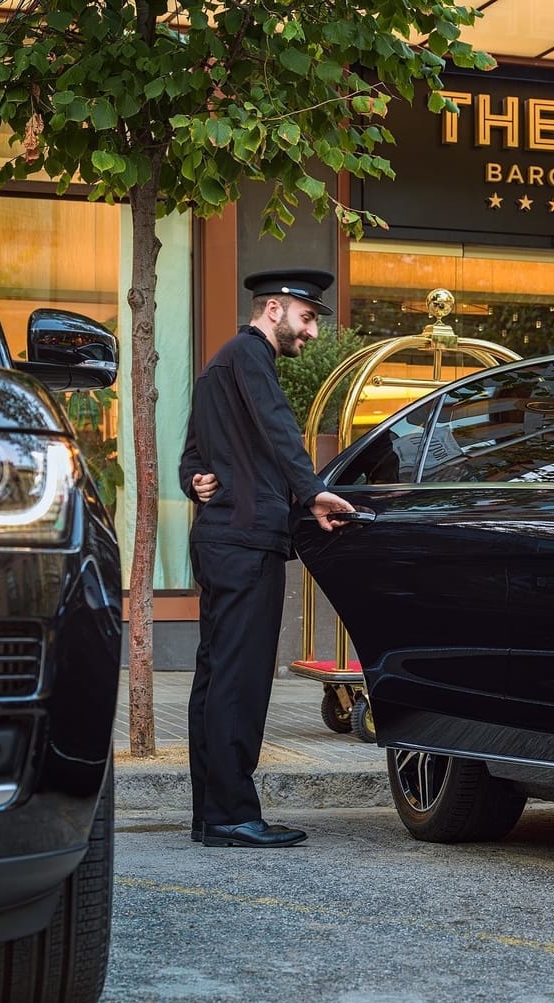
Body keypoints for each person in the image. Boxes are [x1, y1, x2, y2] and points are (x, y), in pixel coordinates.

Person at [179, 268, 355, 848]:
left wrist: (194, 481)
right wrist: (311, 490)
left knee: (215, 675)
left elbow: (192, 453)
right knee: (241, 679)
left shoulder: (217, 365)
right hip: (244, 539)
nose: (309, 334)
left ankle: (213, 813)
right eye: (306, 319)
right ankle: (232, 815)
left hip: (220, 537)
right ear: (274, 309)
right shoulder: (250, 355)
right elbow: (280, 428)